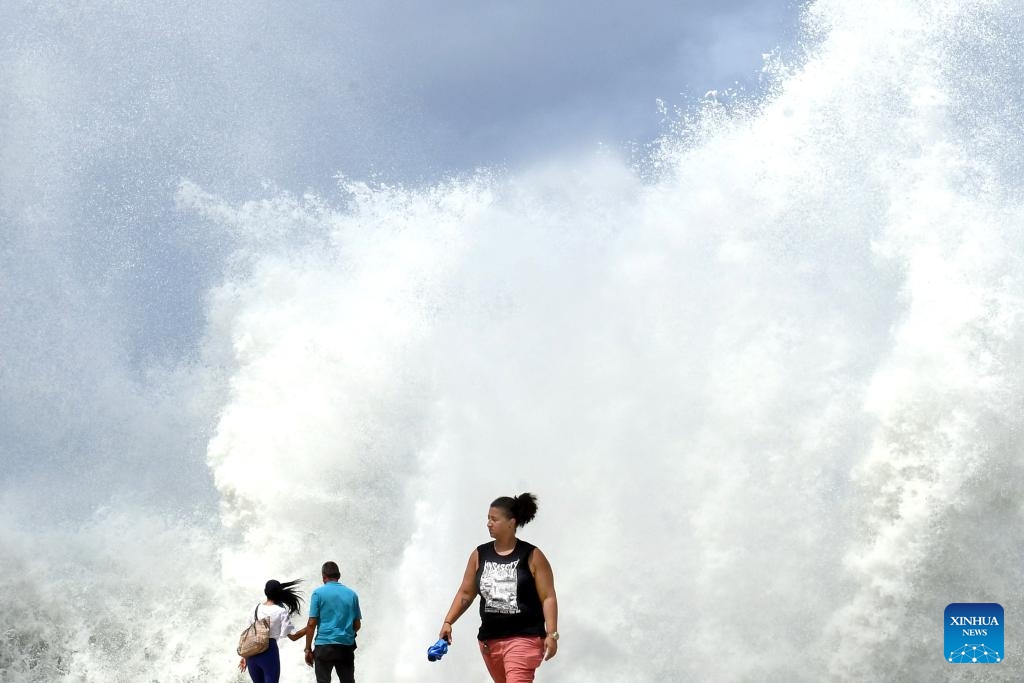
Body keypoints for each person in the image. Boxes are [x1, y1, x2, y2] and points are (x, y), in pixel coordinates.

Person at [439, 492, 559, 683]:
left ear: (511, 522)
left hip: (524, 639)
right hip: (490, 642)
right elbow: (466, 593)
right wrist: (448, 621)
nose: (488, 523)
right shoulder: (480, 554)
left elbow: (548, 597)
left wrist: (552, 633)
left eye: (494, 519)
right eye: (487, 518)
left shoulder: (532, 555)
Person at [238, 579, 308, 683]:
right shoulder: (281, 611)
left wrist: (244, 657)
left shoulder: (255, 608)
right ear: (279, 593)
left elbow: (247, 634)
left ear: (265, 591)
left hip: (251, 654)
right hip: (269, 653)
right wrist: (311, 626)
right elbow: (293, 637)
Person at [304, 561, 362, 683]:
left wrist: (308, 649)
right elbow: (357, 625)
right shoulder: (352, 595)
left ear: (323, 576)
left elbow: (311, 623)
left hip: (324, 646)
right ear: (339, 576)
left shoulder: (318, 593)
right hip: (345, 646)